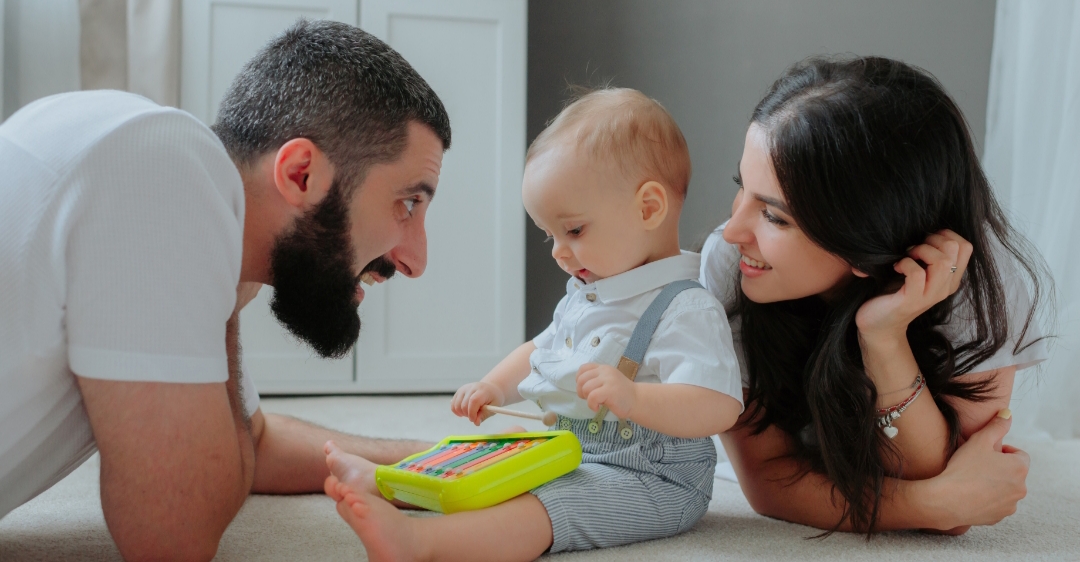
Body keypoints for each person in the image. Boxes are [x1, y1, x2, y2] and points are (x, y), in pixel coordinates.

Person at [0, 20, 449, 560]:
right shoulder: (161, 171)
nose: (415, 259)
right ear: (302, 174)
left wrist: (436, 459)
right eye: (408, 203)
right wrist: (224, 312)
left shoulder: (149, 158)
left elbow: (253, 442)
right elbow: (174, 535)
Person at [321, 88, 745, 560]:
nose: (559, 252)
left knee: (549, 504)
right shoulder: (589, 295)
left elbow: (717, 405)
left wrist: (636, 397)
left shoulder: (686, 307)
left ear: (648, 208)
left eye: (575, 231)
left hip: (653, 479)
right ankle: (390, 483)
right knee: (493, 463)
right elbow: (540, 350)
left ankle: (423, 544)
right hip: (569, 449)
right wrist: (494, 387)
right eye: (550, 235)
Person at [699, 56, 1047, 534]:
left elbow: (939, 470)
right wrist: (930, 506)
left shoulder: (981, 285)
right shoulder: (731, 261)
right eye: (742, 190)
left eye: (775, 217)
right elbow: (767, 478)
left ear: (863, 240)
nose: (732, 230)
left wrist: (884, 337)